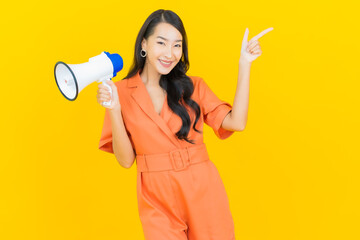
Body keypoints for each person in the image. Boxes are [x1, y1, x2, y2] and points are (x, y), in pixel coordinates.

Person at [97, 9, 273, 240]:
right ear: (144, 44)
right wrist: (114, 109)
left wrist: (245, 64)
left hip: (203, 189)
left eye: (177, 45)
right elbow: (126, 160)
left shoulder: (194, 86)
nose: (170, 53)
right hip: (156, 198)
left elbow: (236, 123)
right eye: (162, 43)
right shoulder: (119, 92)